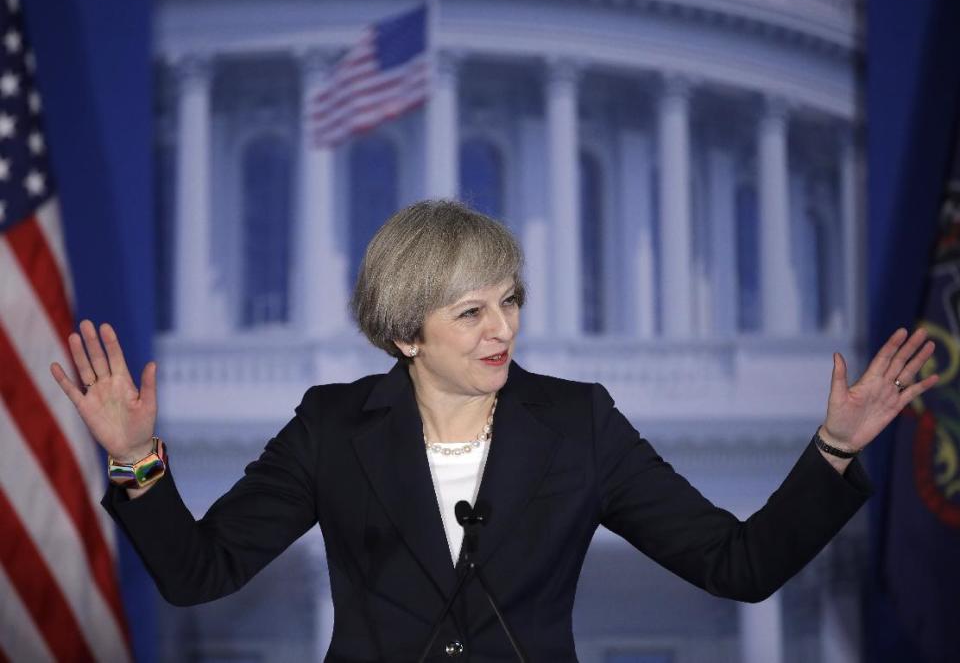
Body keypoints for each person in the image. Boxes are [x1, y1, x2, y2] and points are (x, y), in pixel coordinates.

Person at [52, 200, 938, 661]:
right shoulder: (332, 427)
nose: (503, 328)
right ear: (406, 332)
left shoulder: (577, 422)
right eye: (470, 310)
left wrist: (834, 451)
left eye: (509, 299)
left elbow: (737, 567)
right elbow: (201, 574)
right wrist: (134, 458)